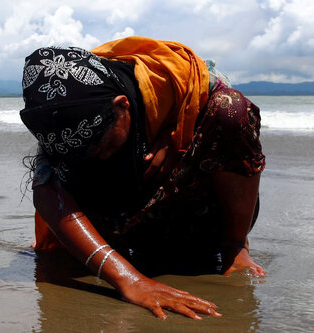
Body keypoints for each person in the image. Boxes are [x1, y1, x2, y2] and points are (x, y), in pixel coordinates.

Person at [20, 37, 265, 320]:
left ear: (122, 106)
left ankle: (235, 247)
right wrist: (129, 279)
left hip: (196, 215)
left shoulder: (189, 83)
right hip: (123, 224)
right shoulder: (63, 117)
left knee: (230, 108)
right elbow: (48, 191)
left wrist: (176, 134)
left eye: (102, 146)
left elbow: (231, 134)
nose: (97, 158)